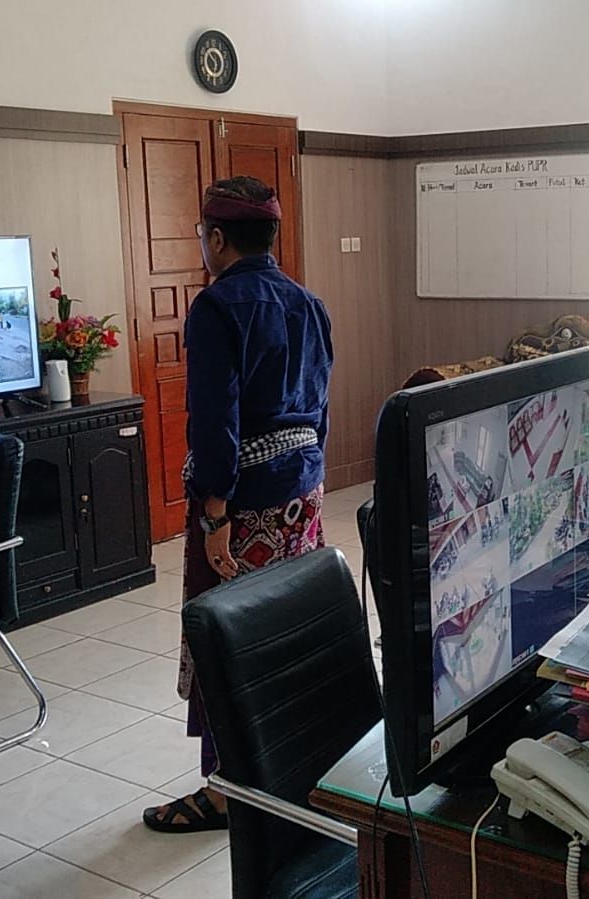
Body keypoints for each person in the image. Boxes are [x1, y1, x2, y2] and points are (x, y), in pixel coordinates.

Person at [143, 176, 333, 834]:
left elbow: (214, 423)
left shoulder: (217, 306)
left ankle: (230, 791)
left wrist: (216, 514)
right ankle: (290, 767)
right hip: (301, 497)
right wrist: (306, 482)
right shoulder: (309, 304)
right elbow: (320, 411)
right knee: (288, 631)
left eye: (202, 234)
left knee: (228, 641)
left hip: (242, 505)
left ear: (217, 238)